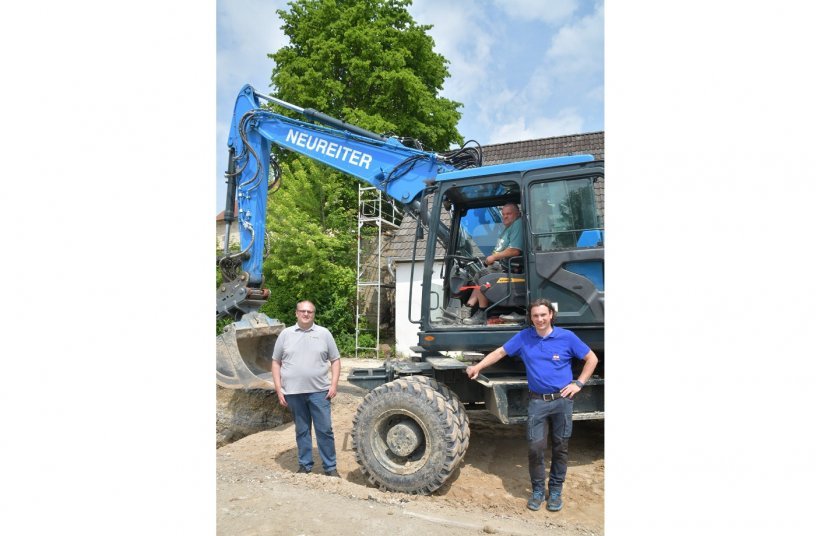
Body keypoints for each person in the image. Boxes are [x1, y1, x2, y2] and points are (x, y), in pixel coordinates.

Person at [465, 298, 598, 512]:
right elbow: (500, 352)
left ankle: (555, 491)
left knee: (560, 448)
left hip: (563, 401)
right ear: (531, 317)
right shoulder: (525, 337)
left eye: (543, 315)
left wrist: (579, 384)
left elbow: (591, 359)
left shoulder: (566, 337)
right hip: (538, 402)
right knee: (535, 447)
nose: (540, 319)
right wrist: (477, 367)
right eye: (535, 316)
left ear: (551, 315)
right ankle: (537, 490)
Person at [271, 300, 341, 477]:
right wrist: (279, 389)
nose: (306, 314)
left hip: (320, 392)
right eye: (302, 311)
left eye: (309, 311)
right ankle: (305, 465)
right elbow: (276, 362)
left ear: (314, 314)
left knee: (324, 430)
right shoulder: (285, 335)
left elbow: (335, 360)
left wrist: (333, 385)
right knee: (302, 430)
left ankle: (330, 467)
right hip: (293, 393)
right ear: (296, 313)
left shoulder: (324, 334)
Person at [461, 202, 523, 325]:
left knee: (482, 275)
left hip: (508, 266)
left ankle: (481, 313)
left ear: (517, 214)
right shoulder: (508, 228)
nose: (505, 216)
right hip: (501, 264)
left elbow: (515, 250)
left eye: (508, 214)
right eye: (503, 214)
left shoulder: (518, 224)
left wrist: (493, 257)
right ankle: (468, 307)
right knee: (479, 274)